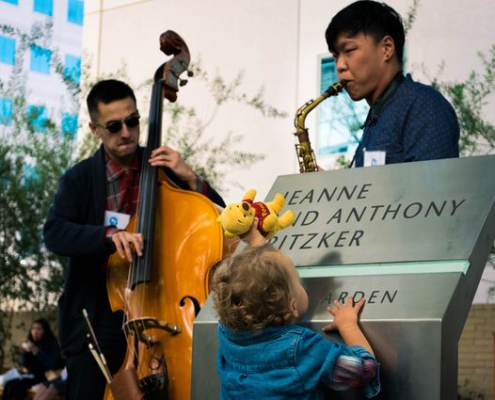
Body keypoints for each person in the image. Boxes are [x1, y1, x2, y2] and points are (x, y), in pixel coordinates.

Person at [43, 79, 226, 400]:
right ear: (95, 129)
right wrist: (109, 237)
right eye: (114, 126)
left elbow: (219, 217)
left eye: (132, 121)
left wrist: (191, 177)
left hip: (165, 304)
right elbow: (54, 232)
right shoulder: (79, 179)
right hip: (100, 312)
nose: (126, 132)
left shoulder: (164, 168)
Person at [211, 226, 380, 399]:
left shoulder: (227, 331)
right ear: (292, 306)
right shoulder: (303, 349)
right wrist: (348, 325)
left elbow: (251, 277)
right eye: (298, 280)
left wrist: (256, 240)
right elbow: (364, 370)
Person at [325, 0, 460, 167]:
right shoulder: (379, 114)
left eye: (349, 51)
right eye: (335, 56)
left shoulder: (423, 104)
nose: (339, 66)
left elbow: (434, 190)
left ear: (387, 48)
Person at [2, 319, 64, 400]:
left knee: (17, 386)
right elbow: (25, 364)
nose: (35, 331)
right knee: (10, 384)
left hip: (46, 376)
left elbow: (54, 363)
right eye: (33, 328)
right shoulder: (30, 342)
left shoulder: (52, 343)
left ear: (45, 330)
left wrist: (37, 352)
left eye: (38, 329)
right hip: (31, 375)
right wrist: (25, 353)